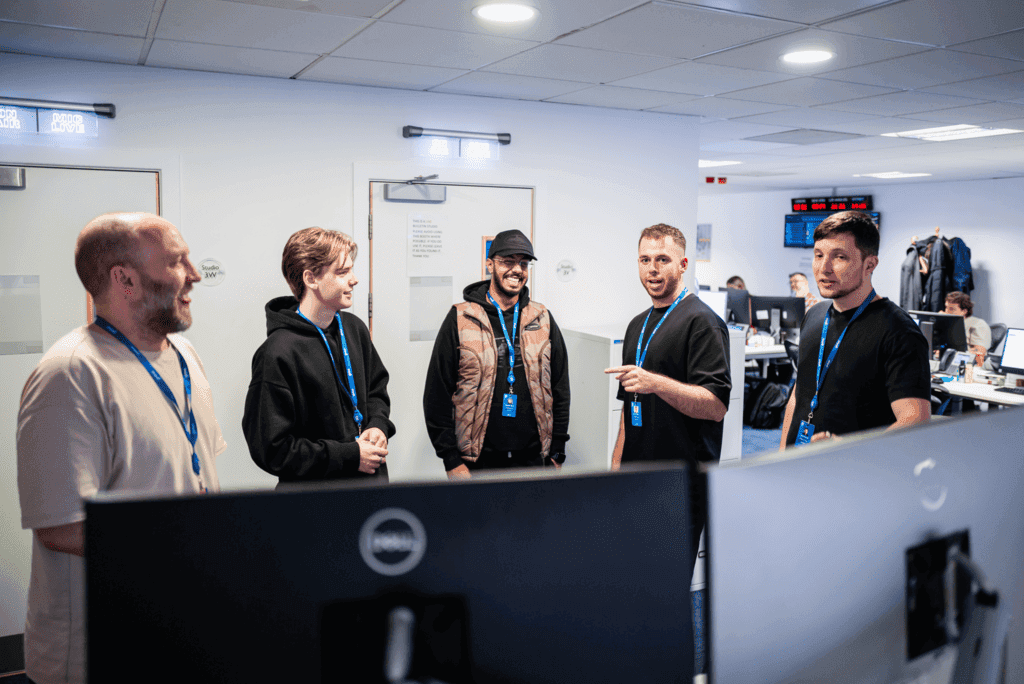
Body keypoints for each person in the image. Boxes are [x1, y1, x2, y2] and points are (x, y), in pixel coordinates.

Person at [16, 212, 227, 684]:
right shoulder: (70, 373)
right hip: (100, 647)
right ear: (125, 280)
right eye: (177, 262)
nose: (194, 274)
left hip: (179, 622)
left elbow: (195, 473)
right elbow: (61, 526)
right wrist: (187, 545)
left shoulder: (184, 356)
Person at [605, 223, 731, 560]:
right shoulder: (637, 324)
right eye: (645, 260)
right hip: (637, 479)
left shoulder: (703, 323)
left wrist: (655, 383)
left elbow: (716, 406)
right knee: (632, 577)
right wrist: (616, 468)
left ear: (684, 265)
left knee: (669, 589)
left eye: (663, 259)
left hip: (679, 484)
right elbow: (627, 406)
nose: (653, 269)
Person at [243, 227, 393, 484]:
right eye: (343, 272)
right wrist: (349, 455)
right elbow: (273, 450)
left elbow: (376, 390)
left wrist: (378, 425)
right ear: (311, 279)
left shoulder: (354, 329)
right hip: (314, 506)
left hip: (370, 490)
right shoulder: (277, 352)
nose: (354, 280)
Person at [423, 229, 569, 479]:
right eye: (507, 261)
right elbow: (437, 394)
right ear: (490, 264)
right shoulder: (461, 318)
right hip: (477, 463)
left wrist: (557, 451)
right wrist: (450, 459)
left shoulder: (542, 318)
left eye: (523, 263)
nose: (517, 270)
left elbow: (560, 388)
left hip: (534, 461)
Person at [781, 211, 930, 449]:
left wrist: (852, 451)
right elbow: (799, 395)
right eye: (818, 255)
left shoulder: (899, 331)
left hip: (855, 472)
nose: (824, 268)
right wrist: (782, 456)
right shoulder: (815, 314)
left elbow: (915, 420)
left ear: (869, 264)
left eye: (839, 257)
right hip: (799, 464)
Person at [944, 291, 991, 365]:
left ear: (964, 311)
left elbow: (980, 351)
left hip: (966, 364)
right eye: (946, 307)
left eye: (951, 309)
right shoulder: (945, 322)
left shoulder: (978, 324)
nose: (947, 312)